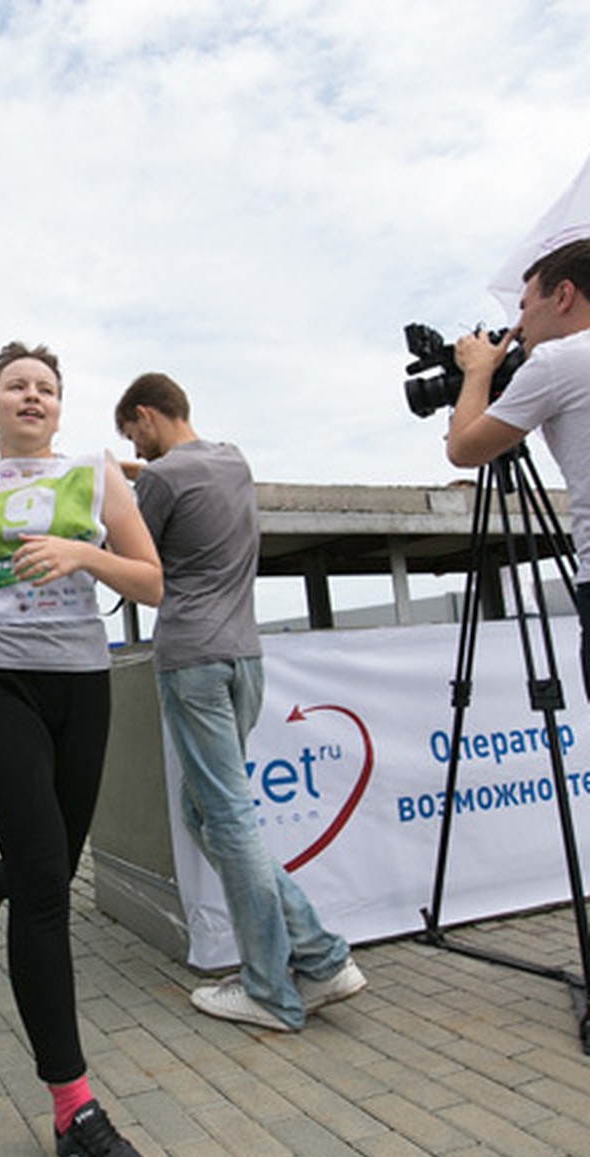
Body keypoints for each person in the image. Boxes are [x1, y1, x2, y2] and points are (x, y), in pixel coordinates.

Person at [0, 341, 162, 1157]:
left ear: (61, 410)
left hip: (81, 685)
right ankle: (74, 1112)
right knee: (51, 889)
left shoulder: (99, 477)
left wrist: (83, 556)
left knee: (44, 869)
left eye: (48, 389)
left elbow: (153, 583)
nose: (33, 396)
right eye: (16, 387)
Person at [115, 372, 366, 1033]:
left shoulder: (162, 482)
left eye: (132, 432)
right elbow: (172, 471)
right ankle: (316, 957)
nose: (135, 444)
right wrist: (130, 467)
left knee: (227, 820)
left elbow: (135, 562)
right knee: (209, 815)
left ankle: (273, 989)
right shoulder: (233, 460)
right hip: (244, 659)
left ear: (145, 415)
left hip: (192, 659)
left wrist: (121, 489)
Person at [447, 238, 590, 701]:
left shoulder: (559, 360)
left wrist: (478, 371)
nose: (518, 325)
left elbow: (465, 449)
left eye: (526, 307)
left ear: (564, 296)